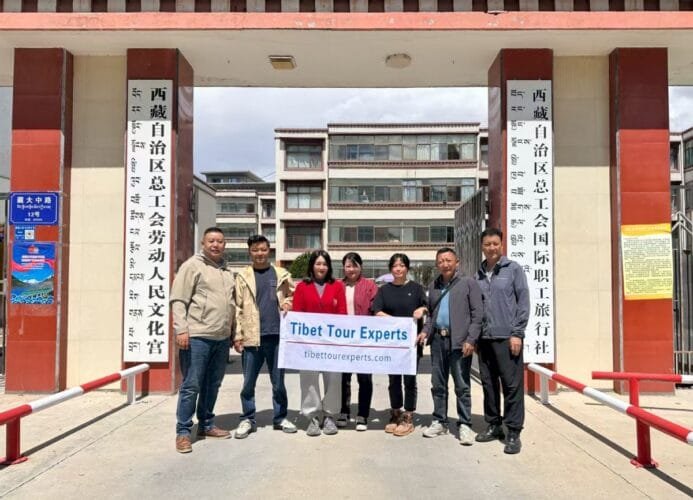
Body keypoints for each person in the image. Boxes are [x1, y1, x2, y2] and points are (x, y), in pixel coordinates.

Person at [171, 227, 236, 454]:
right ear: (203, 242)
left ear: (224, 244)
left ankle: (206, 424)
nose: (216, 245)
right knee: (191, 385)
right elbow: (178, 300)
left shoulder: (227, 271)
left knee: (213, 384)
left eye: (219, 241)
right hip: (197, 336)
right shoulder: (192, 266)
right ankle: (183, 432)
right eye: (211, 241)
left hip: (221, 337)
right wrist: (181, 330)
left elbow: (231, 305)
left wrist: (233, 333)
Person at [232, 234, 296, 439]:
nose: (259, 253)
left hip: (277, 336)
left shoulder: (281, 274)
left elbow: (293, 295)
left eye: (263, 249)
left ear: (269, 250)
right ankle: (247, 418)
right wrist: (238, 335)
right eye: (255, 250)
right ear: (249, 252)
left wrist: (288, 303)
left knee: (278, 382)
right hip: (252, 338)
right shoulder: (242, 276)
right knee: (248, 382)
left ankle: (280, 417)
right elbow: (237, 308)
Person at [420, 247, 483, 445]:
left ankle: (465, 424)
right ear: (437, 264)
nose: (445, 264)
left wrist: (471, 340)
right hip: (438, 341)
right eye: (441, 261)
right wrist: (425, 331)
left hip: (459, 342)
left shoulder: (468, 283)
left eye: (448, 260)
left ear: (457, 262)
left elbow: (477, 314)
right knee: (438, 384)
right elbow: (431, 314)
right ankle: (440, 420)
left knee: (462, 385)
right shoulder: (434, 285)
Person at [475, 227, 530, 455]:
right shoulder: (477, 273)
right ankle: (494, 424)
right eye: (487, 244)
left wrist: (517, 333)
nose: (491, 248)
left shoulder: (513, 270)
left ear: (501, 245)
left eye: (495, 243)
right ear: (482, 246)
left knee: (511, 386)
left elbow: (523, 301)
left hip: (507, 338)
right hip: (484, 339)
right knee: (488, 385)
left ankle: (513, 431)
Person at [292, 250, 347, 436]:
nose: (321, 267)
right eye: (318, 264)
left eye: (324, 264)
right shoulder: (302, 287)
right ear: (312, 266)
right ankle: (313, 417)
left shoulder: (337, 286)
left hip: (332, 343)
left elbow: (342, 313)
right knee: (309, 380)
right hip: (308, 344)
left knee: (333, 379)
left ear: (329, 267)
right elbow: (297, 314)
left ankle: (330, 415)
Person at [372, 253, 427, 437]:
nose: (398, 269)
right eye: (395, 266)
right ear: (390, 269)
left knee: (410, 380)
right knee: (394, 380)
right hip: (392, 344)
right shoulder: (384, 290)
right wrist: (397, 323)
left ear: (407, 268)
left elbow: (427, 307)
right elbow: (377, 311)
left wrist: (422, 309)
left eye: (402, 265)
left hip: (412, 344)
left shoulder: (417, 289)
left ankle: (408, 415)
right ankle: (396, 412)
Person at [337, 252, 379, 431]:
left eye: (354, 265)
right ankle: (343, 411)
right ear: (343, 267)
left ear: (360, 267)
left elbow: (377, 309)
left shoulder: (370, 286)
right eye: (348, 266)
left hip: (363, 340)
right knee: (343, 378)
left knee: (364, 378)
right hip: (342, 339)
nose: (351, 269)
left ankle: (362, 414)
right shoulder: (337, 285)